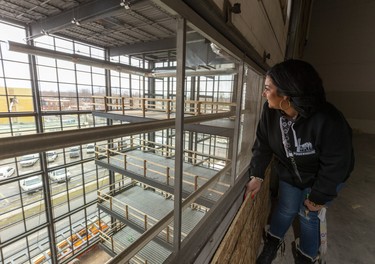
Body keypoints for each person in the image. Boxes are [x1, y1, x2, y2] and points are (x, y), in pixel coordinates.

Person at [245, 59, 354, 264]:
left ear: (287, 94)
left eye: (268, 88)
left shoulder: (328, 119)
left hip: (321, 178)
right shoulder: (269, 111)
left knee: (308, 216)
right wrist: (257, 174)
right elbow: (263, 144)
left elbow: (337, 163)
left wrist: (319, 196)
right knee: (286, 208)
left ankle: (306, 256)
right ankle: (274, 242)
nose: (263, 93)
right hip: (290, 173)